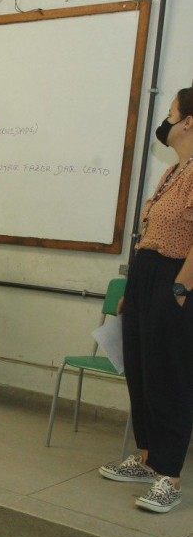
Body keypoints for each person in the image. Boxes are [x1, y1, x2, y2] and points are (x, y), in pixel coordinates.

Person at [99, 83, 193, 513]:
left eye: (171, 112)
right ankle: (148, 458)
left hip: (173, 280)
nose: (165, 120)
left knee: (168, 378)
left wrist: (181, 288)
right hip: (146, 277)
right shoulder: (175, 169)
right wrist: (132, 291)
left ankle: (170, 475)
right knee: (140, 371)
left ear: (188, 122)